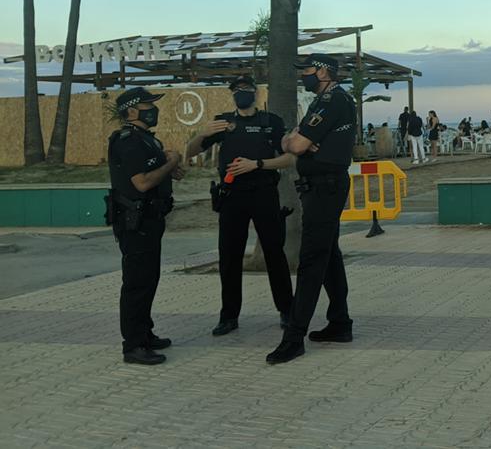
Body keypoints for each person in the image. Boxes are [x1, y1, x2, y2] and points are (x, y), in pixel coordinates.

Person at [186, 75, 295, 338]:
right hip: (232, 196)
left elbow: (289, 158)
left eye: (246, 89)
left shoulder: (271, 122)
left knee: (274, 254)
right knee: (229, 257)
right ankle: (229, 316)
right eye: (236, 90)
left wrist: (256, 164)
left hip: (264, 193)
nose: (241, 94)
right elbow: (189, 152)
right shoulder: (224, 122)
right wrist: (204, 133)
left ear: (256, 94)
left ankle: (287, 311)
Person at [266, 54, 357, 365]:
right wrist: (294, 139)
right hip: (319, 185)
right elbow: (290, 141)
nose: (302, 75)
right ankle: (340, 323)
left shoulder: (332, 101)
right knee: (329, 254)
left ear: (323, 71)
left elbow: (298, 145)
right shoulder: (324, 101)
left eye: (306, 70)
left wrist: (297, 140)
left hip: (325, 187)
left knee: (312, 259)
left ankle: (294, 337)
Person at [106, 87, 184, 365]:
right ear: (131, 111)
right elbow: (142, 182)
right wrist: (171, 161)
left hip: (150, 219)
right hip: (135, 222)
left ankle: (145, 333)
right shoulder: (128, 140)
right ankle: (134, 345)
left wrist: (169, 166)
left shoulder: (145, 140)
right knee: (137, 284)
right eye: (148, 105)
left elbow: (155, 172)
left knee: (149, 279)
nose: (154, 109)